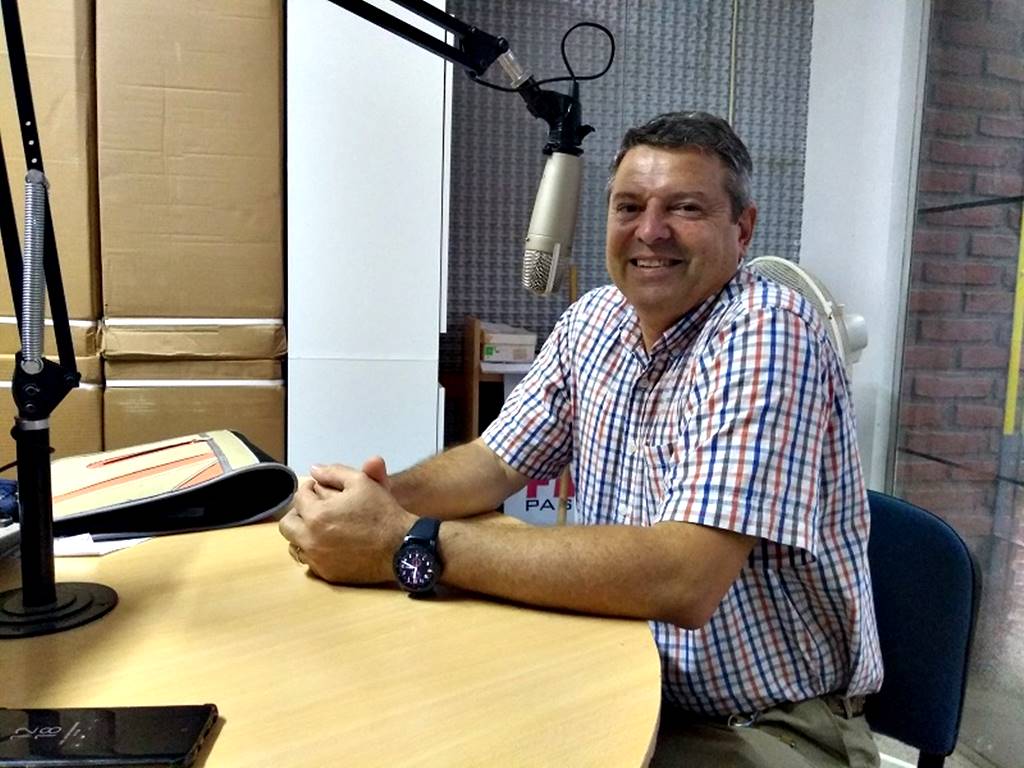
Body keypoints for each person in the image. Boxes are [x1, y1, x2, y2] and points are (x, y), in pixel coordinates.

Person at [279, 111, 884, 767]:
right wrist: (371, 502)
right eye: (630, 206)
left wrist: (406, 541)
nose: (650, 231)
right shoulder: (594, 321)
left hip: (759, 728)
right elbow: (492, 463)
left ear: (743, 229)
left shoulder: (770, 331)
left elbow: (684, 579)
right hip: (620, 672)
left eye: (684, 208)